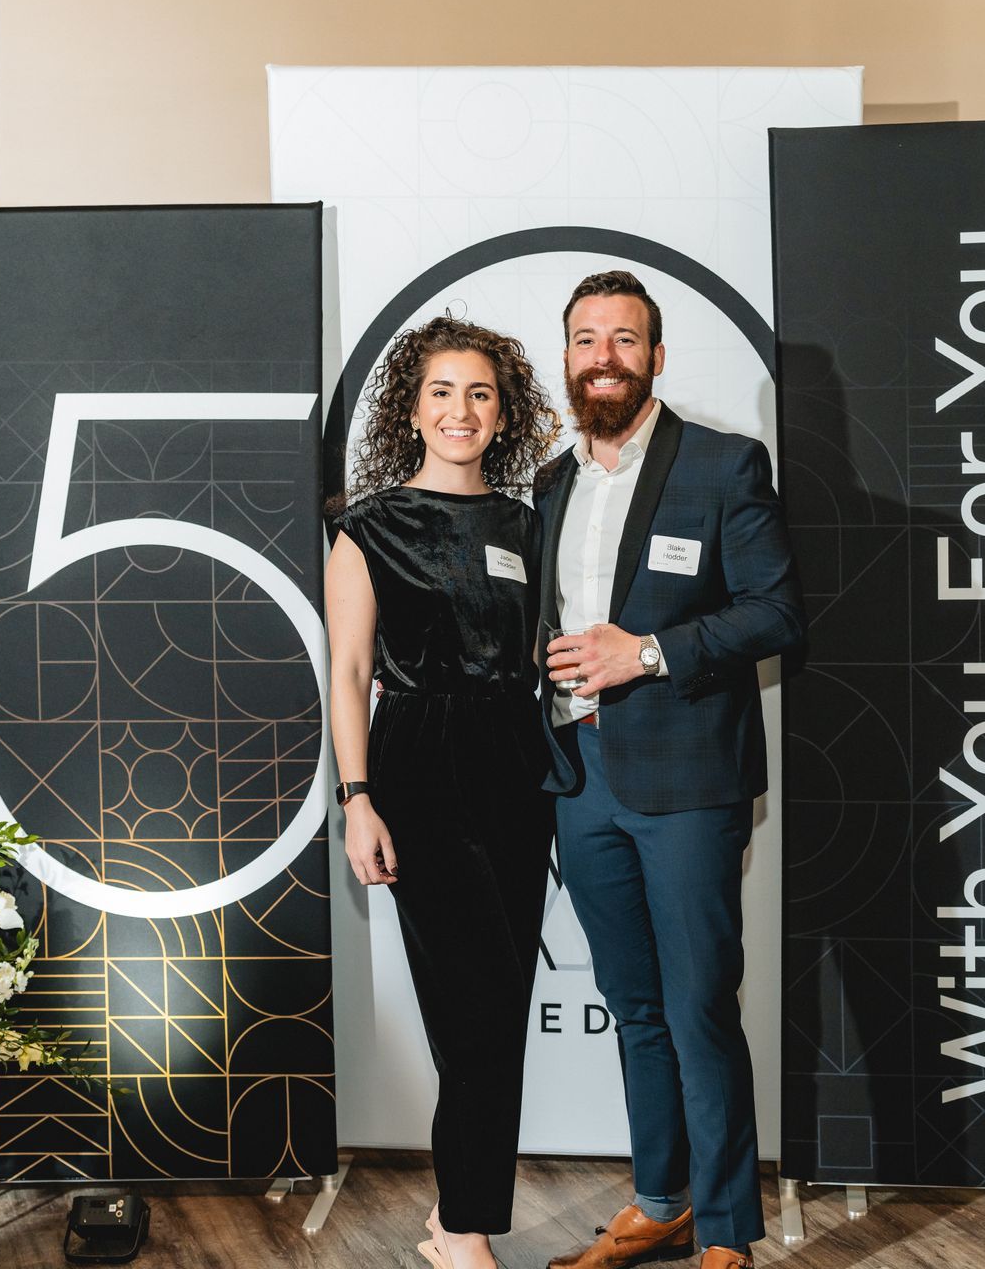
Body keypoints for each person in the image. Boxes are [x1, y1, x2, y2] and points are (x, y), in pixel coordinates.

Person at [539, 272, 807, 1269]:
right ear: (565, 357)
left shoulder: (723, 464)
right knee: (636, 1003)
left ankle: (729, 1228)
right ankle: (662, 1199)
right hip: (579, 777)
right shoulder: (550, 483)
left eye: (623, 336)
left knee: (697, 1003)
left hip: (689, 779)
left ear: (655, 355)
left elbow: (777, 615)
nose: (602, 354)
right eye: (584, 338)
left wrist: (645, 650)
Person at [325, 316, 560, 1269]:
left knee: (496, 1008)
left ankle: (451, 1211)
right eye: (440, 393)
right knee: (477, 1012)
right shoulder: (369, 527)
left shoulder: (529, 523)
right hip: (418, 760)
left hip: (516, 759)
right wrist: (357, 798)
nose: (460, 411)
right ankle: (463, 1231)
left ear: (503, 414)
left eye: (479, 394)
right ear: (410, 409)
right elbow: (346, 671)